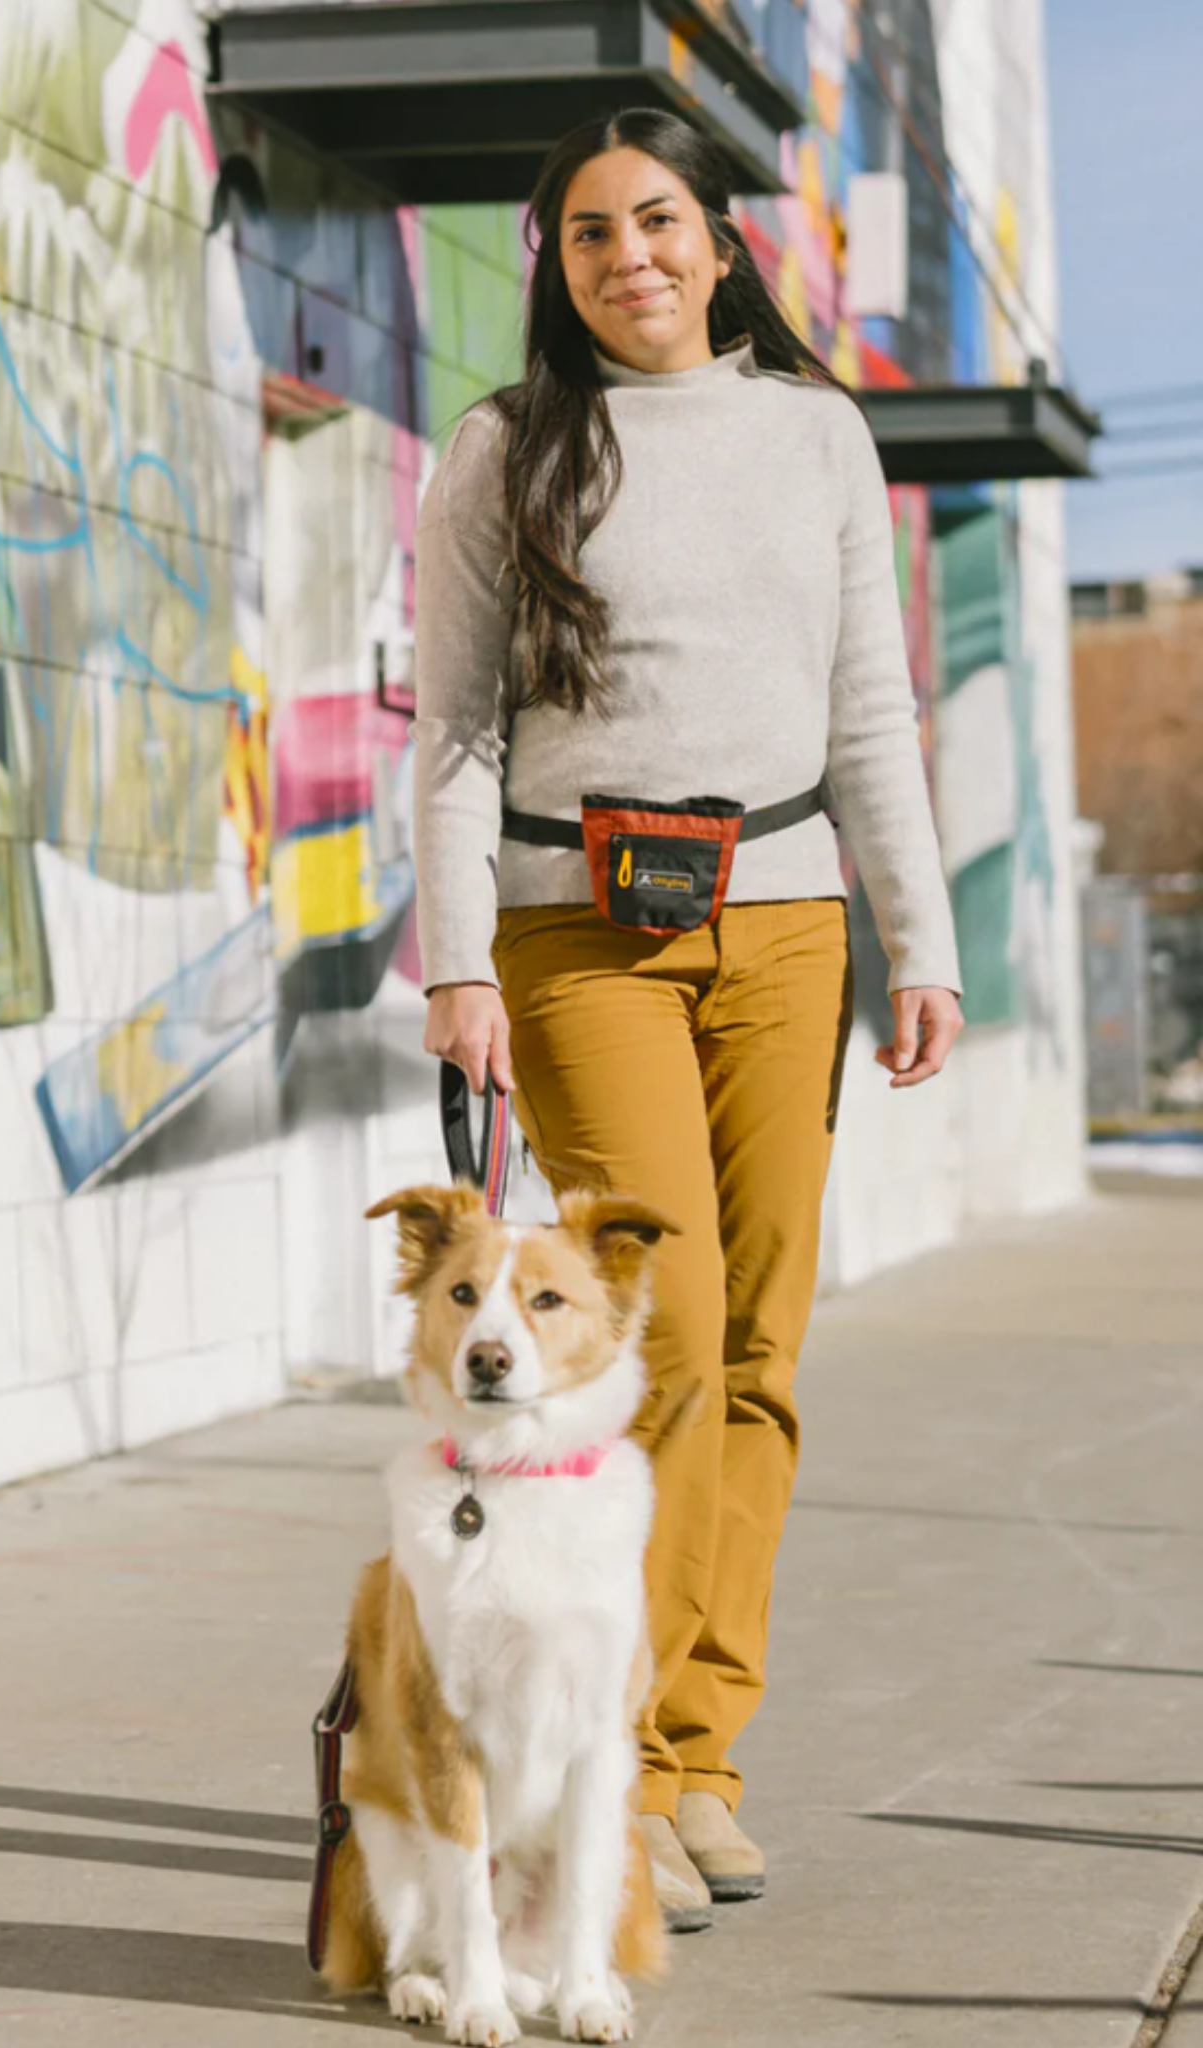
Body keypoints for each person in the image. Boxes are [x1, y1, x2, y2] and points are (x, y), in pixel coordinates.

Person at [412, 107, 963, 1932]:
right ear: (553, 267)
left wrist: (923, 940)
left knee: (765, 1350)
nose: (627, 257)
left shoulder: (814, 430)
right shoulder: (505, 451)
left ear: (721, 242)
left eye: (656, 222)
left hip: (790, 928)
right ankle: (620, 1773)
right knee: (682, 1324)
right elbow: (459, 732)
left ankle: (701, 1757)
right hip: (578, 936)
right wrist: (461, 962)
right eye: (586, 234)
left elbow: (871, 709)